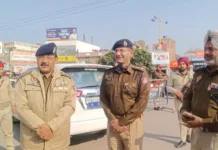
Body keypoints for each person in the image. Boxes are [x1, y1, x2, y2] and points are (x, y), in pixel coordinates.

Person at [14, 43, 76, 150]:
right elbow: (20, 106)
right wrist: (39, 126)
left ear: (56, 59)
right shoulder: (25, 79)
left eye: (49, 57)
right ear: (37, 60)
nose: (44, 61)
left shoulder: (66, 80)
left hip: (58, 141)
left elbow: (70, 106)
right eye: (41, 57)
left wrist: (51, 127)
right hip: (32, 142)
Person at [100, 39, 150, 150]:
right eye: (116, 51)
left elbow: (142, 101)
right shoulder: (108, 74)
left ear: (131, 53)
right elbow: (103, 99)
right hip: (113, 123)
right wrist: (113, 120)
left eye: (122, 50)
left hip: (132, 123)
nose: (118, 54)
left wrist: (122, 122)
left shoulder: (140, 74)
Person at [181, 30, 218, 150]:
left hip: (214, 137)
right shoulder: (199, 74)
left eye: (211, 49)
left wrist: (203, 122)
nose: (207, 52)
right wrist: (184, 111)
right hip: (196, 133)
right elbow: (188, 96)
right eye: (205, 48)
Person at [166, 57, 193, 148]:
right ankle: (183, 139)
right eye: (180, 64)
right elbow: (168, 87)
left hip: (191, 100)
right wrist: (176, 92)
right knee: (182, 120)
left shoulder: (192, 75)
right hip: (179, 101)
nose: (181, 65)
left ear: (186, 65)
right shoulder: (173, 75)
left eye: (183, 64)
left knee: (190, 118)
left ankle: (188, 135)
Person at [0, 61, 15, 150]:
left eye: (2, 69)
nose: (1, 71)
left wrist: (13, 104)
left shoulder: (6, 80)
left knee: (9, 133)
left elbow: (11, 92)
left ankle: (10, 148)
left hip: (6, 109)